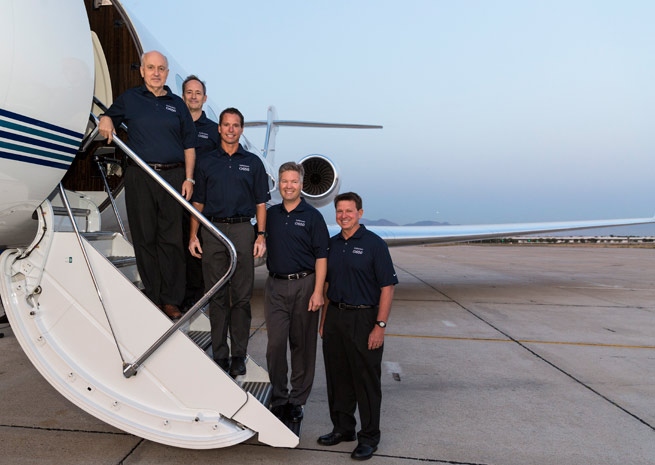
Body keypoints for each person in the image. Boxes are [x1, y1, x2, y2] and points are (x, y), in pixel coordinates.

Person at [98, 51, 196, 320]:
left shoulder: (177, 105)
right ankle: (153, 296)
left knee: (172, 241)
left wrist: (189, 178)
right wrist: (106, 118)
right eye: (150, 67)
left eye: (161, 68)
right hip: (140, 177)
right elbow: (109, 118)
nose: (156, 72)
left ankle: (172, 300)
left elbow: (189, 144)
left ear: (166, 73)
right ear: (142, 71)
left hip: (173, 177)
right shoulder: (129, 99)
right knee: (145, 239)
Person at [189, 107, 270, 378]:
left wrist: (260, 235)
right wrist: (193, 235)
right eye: (226, 125)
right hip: (212, 231)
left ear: (241, 129)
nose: (231, 129)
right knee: (217, 296)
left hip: (242, 231)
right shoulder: (206, 161)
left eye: (236, 125)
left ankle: (238, 355)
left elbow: (261, 203)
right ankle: (220, 354)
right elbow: (197, 203)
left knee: (242, 298)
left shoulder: (253, 163)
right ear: (220, 128)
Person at [318, 192, 398, 461]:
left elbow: (387, 287)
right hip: (335, 317)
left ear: (360, 213)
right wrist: (323, 321)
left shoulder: (375, 244)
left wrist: (380, 326)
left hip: (365, 319)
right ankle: (343, 428)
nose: (343, 216)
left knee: (366, 381)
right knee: (337, 377)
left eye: (349, 211)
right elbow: (327, 287)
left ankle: (369, 437)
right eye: (339, 211)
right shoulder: (331, 245)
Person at [264, 162, 329, 424]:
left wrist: (318, 292)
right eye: (284, 181)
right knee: (275, 346)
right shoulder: (272, 215)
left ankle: (297, 401)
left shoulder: (313, 217)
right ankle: (279, 398)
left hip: (305, 286)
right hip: (275, 287)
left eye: (293, 181)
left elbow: (322, 257)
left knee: (302, 346)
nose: (288, 186)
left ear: (301, 185)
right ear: (278, 184)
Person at [181, 75, 218, 310]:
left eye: (198, 93)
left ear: (204, 98)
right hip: (179, 195)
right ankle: (181, 295)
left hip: (204, 199)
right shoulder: (175, 124)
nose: (193, 97)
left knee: (201, 247)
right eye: (189, 92)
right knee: (179, 245)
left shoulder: (214, 130)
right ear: (183, 96)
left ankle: (199, 296)